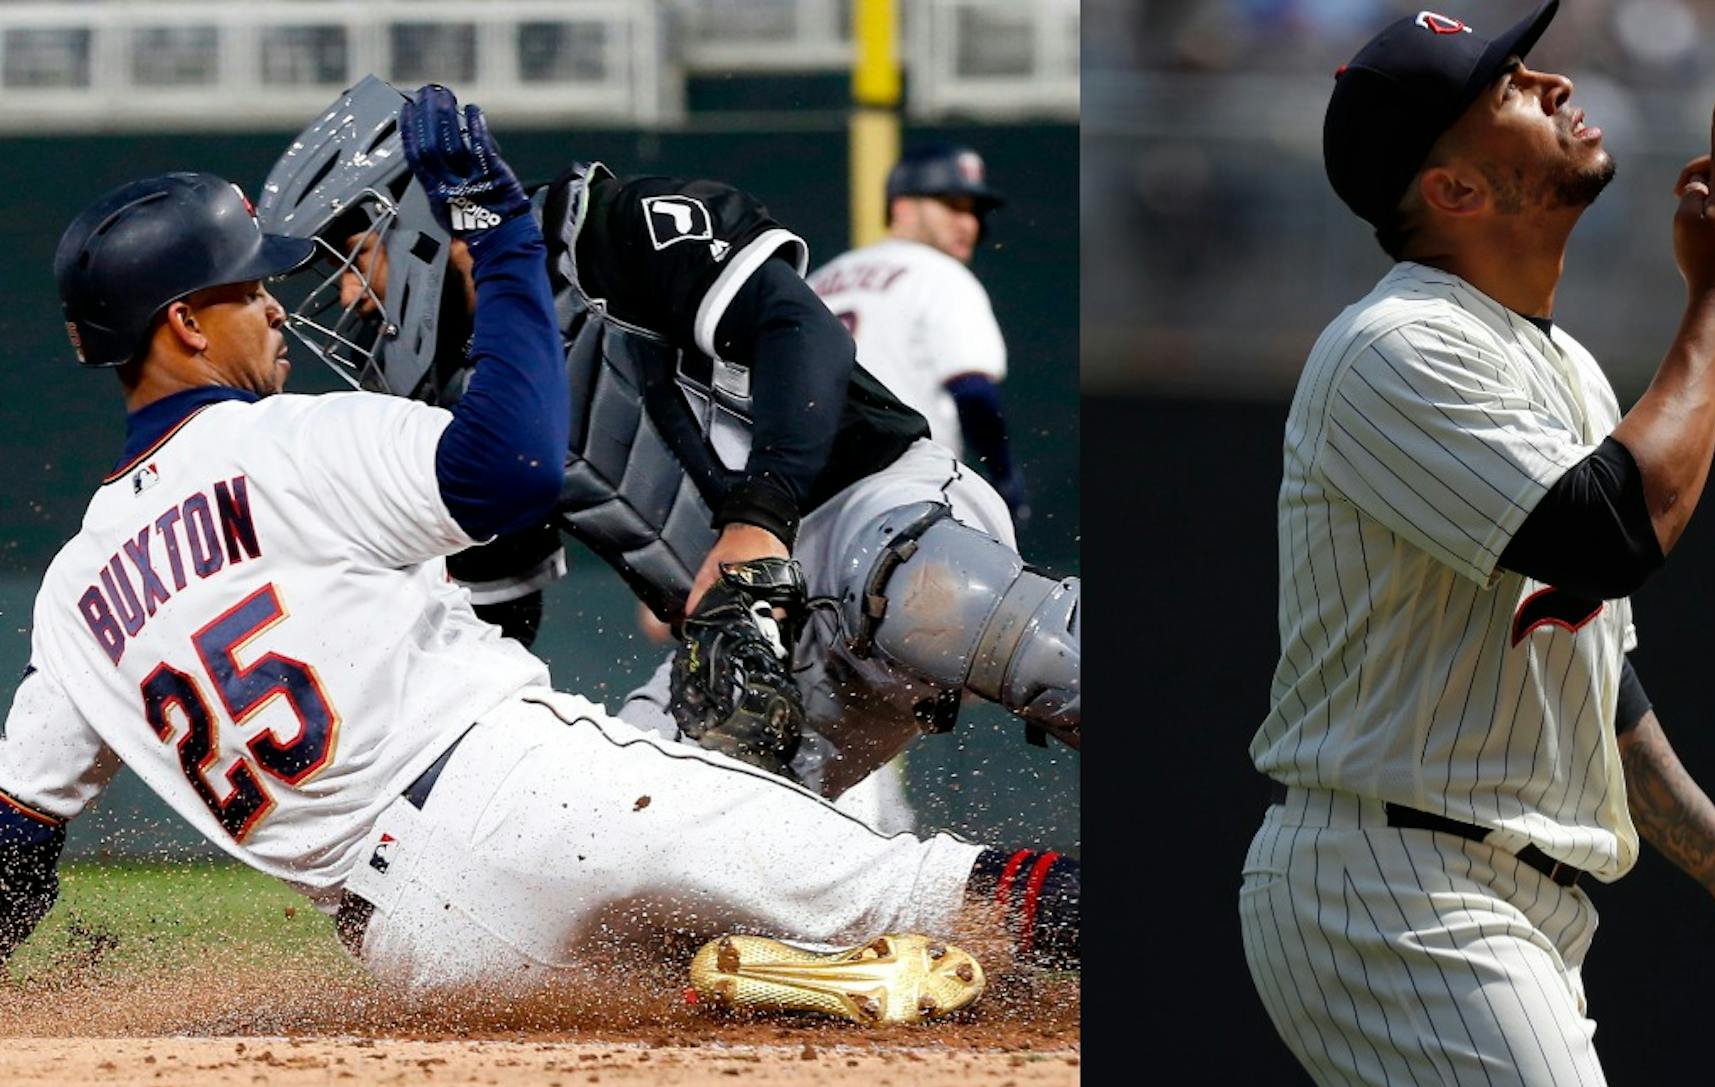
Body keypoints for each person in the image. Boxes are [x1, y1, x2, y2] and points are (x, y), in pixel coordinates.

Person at [0, 86, 1076, 1021]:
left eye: (343, 258)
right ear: (189, 325)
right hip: (566, 766)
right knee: (922, 896)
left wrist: (757, 520)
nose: (309, 301)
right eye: (262, 282)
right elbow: (504, 514)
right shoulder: (314, 434)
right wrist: (498, 236)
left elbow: (12, 851)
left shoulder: (72, 597)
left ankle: (780, 964)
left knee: (941, 617)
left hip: (423, 936)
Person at [1234, 4, 1715, 1087]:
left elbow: (1597, 679)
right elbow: (1611, 529)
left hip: (1472, 897)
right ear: (1456, 188)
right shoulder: (1397, 346)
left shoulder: (1565, 369)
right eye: (1510, 85)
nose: (1554, 78)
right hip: (1404, 900)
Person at [254, 80, 1079, 843]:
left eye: (353, 257)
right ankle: (945, 938)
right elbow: (498, 617)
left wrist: (758, 523)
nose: (355, 300)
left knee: (969, 613)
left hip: (869, 508)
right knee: (611, 853)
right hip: (741, 646)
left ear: (419, 220)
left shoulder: (605, 226)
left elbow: (802, 331)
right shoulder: (457, 404)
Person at [808, 143, 1028, 528]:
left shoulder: (819, 282)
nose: (970, 225)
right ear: (903, 208)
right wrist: (1004, 477)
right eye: (952, 205)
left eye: (974, 212)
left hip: (801, 500)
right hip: (903, 496)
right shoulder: (941, 274)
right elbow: (974, 390)